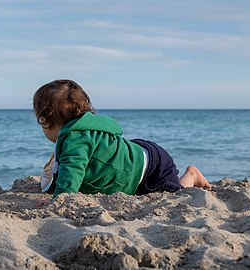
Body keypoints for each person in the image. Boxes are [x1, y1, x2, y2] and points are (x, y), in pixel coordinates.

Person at [33, 79, 211, 206]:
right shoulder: (86, 130)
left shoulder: (75, 140)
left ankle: (191, 175)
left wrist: (59, 199)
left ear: (45, 121)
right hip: (138, 153)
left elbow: (71, 174)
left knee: (174, 192)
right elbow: (69, 170)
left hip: (152, 169)